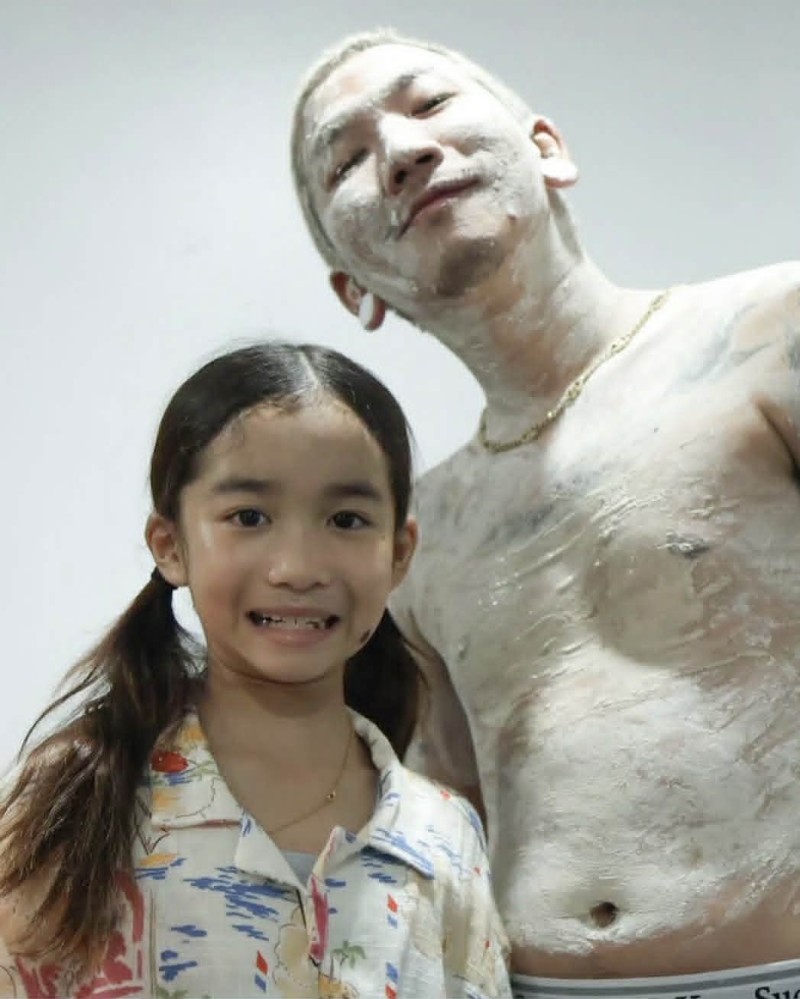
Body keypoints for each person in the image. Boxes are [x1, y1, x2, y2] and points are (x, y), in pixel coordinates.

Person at [290, 27, 800, 997]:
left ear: (547, 149)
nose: (401, 151)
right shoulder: (418, 537)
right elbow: (448, 828)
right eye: (345, 161)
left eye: (429, 104)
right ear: (354, 291)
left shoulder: (769, 337)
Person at [0, 342, 512, 999]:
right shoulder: (75, 806)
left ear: (399, 552)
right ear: (171, 545)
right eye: (249, 517)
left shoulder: (444, 839)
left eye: (347, 519)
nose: (297, 567)